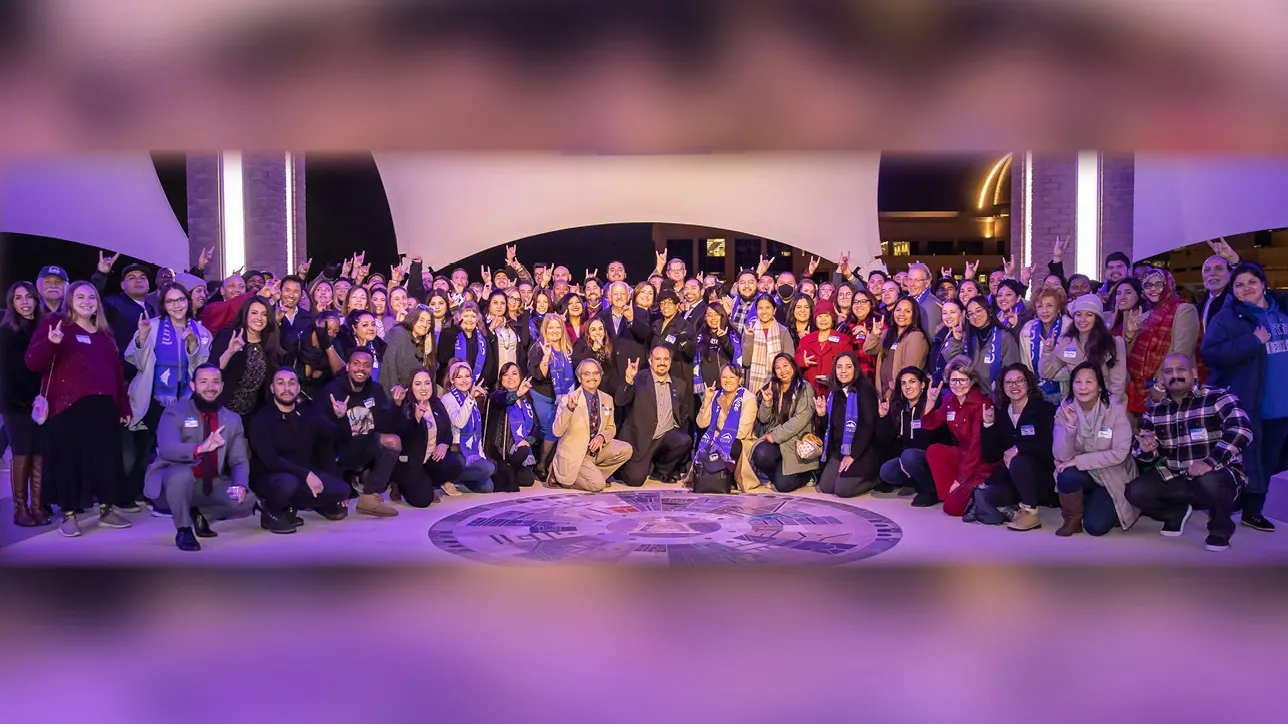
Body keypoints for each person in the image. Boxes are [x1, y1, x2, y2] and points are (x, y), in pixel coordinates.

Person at [25, 281, 134, 537]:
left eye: (92, 297)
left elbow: (117, 375)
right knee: (68, 462)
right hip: (67, 407)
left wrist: (123, 405)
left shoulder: (104, 335)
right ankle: (69, 515)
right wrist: (51, 343)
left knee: (105, 460)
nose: (87, 302)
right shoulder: (56, 326)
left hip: (103, 407)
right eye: (81, 297)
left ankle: (107, 509)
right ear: (70, 301)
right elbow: (32, 362)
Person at [1126, 353, 1254, 551]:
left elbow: (1242, 430)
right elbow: (1142, 449)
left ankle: (1220, 528)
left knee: (1209, 481)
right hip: (1176, 474)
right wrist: (1145, 449)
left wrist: (1209, 463)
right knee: (1135, 491)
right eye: (1168, 372)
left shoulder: (1218, 397)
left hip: (1217, 472)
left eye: (1181, 370)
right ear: (1162, 378)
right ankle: (1175, 513)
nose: (1174, 375)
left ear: (1194, 373)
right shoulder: (1155, 410)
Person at [1201, 262, 1287, 532]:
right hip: (1248, 401)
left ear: (1263, 284)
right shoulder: (1228, 318)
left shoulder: (1282, 310)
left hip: (1282, 403)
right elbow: (1210, 353)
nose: (1246, 288)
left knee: (1270, 460)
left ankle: (1251, 508)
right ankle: (1245, 510)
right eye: (1239, 284)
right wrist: (1252, 342)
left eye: (1252, 282)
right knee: (1247, 459)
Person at [144, 364, 258, 551]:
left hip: (208, 483)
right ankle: (184, 530)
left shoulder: (232, 419)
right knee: (181, 475)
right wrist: (200, 448)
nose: (210, 387)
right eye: (203, 382)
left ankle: (200, 514)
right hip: (170, 485)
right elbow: (167, 449)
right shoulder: (175, 411)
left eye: (215, 382)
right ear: (193, 385)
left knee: (246, 500)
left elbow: (239, 461)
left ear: (221, 386)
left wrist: (239, 483)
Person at [123, 284, 213, 508]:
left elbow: (202, 371)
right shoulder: (151, 326)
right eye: (170, 301)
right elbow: (137, 362)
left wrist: (192, 344)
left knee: (173, 448)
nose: (177, 305)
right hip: (154, 399)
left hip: (185, 401)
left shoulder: (201, 332)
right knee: (155, 448)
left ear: (188, 301)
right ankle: (147, 493)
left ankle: (163, 494)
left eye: (180, 299)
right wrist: (142, 338)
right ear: (163, 305)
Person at [248, 368, 353, 532]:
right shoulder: (261, 420)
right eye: (280, 383)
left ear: (298, 388)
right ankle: (271, 512)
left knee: (343, 490)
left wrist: (341, 417)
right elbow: (271, 461)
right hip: (269, 477)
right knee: (288, 483)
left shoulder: (307, 413)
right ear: (272, 388)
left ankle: (291, 505)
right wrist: (306, 475)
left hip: (301, 475)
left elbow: (341, 436)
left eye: (292, 383)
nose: (287, 388)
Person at [1052, 363, 1139, 536]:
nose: (1082, 387)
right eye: (1078, 382)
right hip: (1085, 475)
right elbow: (1061, 455)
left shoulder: (1115, 410)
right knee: (1065, 473)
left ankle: (1106, 506)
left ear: (1099, 387)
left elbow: (1120, 453)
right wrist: (1071, 426)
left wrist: (1078, 460)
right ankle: (1072, 519)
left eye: (1089, 382)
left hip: (1111, 476)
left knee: (1095, 527)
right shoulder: (1064, 409)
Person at [315, 348, 402, 515]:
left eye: (366, 365)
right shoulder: (330, 392)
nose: (361, 368)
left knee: (393, 441)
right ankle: (341, 486)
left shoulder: (375, 390)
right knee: (338, 514)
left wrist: (396, 405)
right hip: (337, 454)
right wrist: (339, 418)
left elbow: (386, 425)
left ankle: (370, 496)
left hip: (364, 447)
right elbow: (321, 439)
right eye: (356, 363)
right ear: (347, 367)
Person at [974, 364, 1057, 530]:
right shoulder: (1001, 412)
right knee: (991, 495)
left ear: (1029, 383)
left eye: (1019, 380)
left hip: (1041, 475)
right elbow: (991, 456)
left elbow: (1048, 447)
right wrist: (988, 425)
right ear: (1002, 386)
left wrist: (1019, 448)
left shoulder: (1044, 410)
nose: (1014, 386)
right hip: (1014, 478)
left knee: (1019, 460)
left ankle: (1031, 513)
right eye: (1009, 382)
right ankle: (1017, 507)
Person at [919, 357, 997, 516]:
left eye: (963, 380)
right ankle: (951, 495)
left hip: (982, 462)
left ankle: (974, 494)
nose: (958, 384)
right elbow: (929, 424)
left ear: (972, 381)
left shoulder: (982, 403)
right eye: (954, 380)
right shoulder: (949, 400)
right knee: (935, 451)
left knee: (953, 509)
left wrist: (959, 480)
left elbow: (977, 447)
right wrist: (930, 402)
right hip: (963, 455)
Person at [1, 282, 49, 526]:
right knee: (22, 453)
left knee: (39, 454)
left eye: (29, 297)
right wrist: (22, 402)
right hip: (15, 404)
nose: (24, 302)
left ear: (36, 300)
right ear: (11, 302)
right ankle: (20, 509)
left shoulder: (43, 327)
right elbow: (7, 373)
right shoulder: (6, 331)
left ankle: (37, 506)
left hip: (42, 402)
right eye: (18, 298)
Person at [1125, 269, 1199, 422]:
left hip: (1170, 385)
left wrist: (1161, 384)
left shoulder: (1184, 310)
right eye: (1148, 285)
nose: (1153, 289)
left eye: (1159, 284)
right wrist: (1130, 335)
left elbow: (1182, 352)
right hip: (1141, 387)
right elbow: (1130, 356)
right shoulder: (1144, 316)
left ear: (1169, 285)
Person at [616, 345, 694, 486]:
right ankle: (623, 467)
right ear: (650, 361)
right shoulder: (639, 378)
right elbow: (620, 401)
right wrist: (629, 379)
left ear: (670, 361)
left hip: (664, 437)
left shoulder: (679, 385)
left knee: (684, 440)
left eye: (666, 359)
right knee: (635, 480)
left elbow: (683, 414)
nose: (662, 363)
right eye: (658, 359)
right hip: (640, 440)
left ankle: (661, 470)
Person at [550, 358, 632, 491]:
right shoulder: (568, 400)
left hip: (595, 452)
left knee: (626, 449)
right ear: (579, 378)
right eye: (586, 374)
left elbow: (611, 427)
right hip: (576, 455)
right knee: (598, 485)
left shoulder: (607, 399)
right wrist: (569, 409)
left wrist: (601, 437)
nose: (592, 377)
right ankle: (563, 478)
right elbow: (556, 431)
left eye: (595, 373)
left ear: (600, 376)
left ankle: (593, 474)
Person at [812, 352, 880, 497]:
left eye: (848, 367)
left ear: (855, 369)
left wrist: (852, 455)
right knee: (826, 486)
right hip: (840, 450)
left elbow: (867, 427)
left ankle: (875, 479)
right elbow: (829, 429)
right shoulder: (834, 393)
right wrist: (822, 415)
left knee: (842, 490)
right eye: (839, 367)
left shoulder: (865, 390)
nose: (843, 371)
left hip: (862, 450)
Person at [390, 369, 460, 508]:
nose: (423, 388)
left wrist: (444, 444)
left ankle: (428, 483)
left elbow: (447, 430)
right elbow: (403, 439)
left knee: (455, 463)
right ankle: (399, 484)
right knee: (423, 501)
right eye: (418, 384)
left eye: (427, 383)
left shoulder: (436, 404)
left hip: (429, 460)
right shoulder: (403, 406)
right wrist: (416, 419)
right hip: (409, 464)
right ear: (411, 387)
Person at [1041, 294, 1127, 404]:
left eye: (1089, 315)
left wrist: (1103, 410)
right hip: (1077, 405)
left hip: (1106, 404)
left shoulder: (1114, 343)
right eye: (1078, 314)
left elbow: (1117, 386)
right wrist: (1047, 352)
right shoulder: (1066, 342)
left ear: (1097, 318)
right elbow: (1046, 374)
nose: (1082, 319)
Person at [750, 353, 818, 492]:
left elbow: (800, 420)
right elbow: (763, 419)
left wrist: (775, 436)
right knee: (760, 453)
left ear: (793, 366)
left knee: (783, 486)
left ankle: (808, 475)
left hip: (796, 441)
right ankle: (779, 474)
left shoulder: (805, 388)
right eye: (778, 368)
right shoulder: (773, 387)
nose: (782, 371)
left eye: (785, 366)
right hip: (778, 442)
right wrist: (767, 403)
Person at [876, 366, 943, 506]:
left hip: (931, 457)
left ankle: (931, 490)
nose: (907, 387)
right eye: (903, 383)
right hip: (907, 458)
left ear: (922, 384)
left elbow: (932, 439)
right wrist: (883, 418)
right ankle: (915, 481)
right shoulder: (899, 407)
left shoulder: (931, 403)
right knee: (886, 472)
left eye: (912, 382)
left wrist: (930, 406)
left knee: (909, 456)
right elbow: (885, 439)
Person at [210, 297, 282, 425]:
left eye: (264, 314)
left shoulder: (269, 342)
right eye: (254, 313)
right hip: (223, 410)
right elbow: (212, 370)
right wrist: (229, 352)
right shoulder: (229, 335)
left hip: (253, 415)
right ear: (245, 314)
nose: (259, 318)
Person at [692, 364, 759, 493]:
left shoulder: (749, 399)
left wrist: (718, 439)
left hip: (740, 441)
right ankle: (713, 477)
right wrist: (707, 400)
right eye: (724, 377)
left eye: (732, 377)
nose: (727, 380)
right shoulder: (715, 396)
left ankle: (730, 476)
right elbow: (701, 424)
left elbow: (742, 432)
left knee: (731, 445)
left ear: (740, 380)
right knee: (704, 443)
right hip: (715, 439)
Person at [528, 312, 576, 478]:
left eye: (557, 327)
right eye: (551, 328)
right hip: (542, 395)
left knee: (560, 429)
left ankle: (549, 463)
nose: (554, 331)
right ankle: (540, 464)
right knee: (550, 429)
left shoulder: (568, 349)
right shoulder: (538, 348)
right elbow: (538, 375)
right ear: (545, 329)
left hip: (564, 396)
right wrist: (546, 357)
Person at [941, 297, 1020, 394]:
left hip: (996, 395)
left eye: (978, 311)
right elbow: (951, 360)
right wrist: (957, 340)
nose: (975, 316)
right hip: (969, 394)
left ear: (989, 311)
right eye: (970, 314)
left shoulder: (1004, 337)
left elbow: (1012, 370)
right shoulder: (966, 336)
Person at [484, 362, 543, 492]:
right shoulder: (496, 396)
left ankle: (510, 470)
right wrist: (518, 393)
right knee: (521, 454)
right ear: (501, 379)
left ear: (520, 377)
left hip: (520, 451)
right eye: (505, 375)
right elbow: (507, 399)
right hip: (502, 452)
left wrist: (528, 441)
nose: (510, 377)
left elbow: (536, 426)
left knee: (527, 480)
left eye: (514, 373)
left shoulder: (527, 400)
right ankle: (506, 470)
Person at [439, 360, 496, 494]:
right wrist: (470, 399)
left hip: (471, 452)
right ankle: (445, 478)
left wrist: (481, 455)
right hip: (456, 451)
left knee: (488, 487)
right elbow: (459, 422)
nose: (464, 380)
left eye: (467, 376)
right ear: (452, 380)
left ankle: (458, 480)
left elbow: (477, 432)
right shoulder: (447, 399)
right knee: (488, 469)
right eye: (459, 377)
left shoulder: (471, 399)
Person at [865, 297, 930, 402]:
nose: (901, 314)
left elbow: (909, 369)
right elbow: (868, 350)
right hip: (882, 393)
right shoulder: (887, 333)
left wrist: (891, 391)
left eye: (907, 311)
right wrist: (875, 334)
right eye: (898, 310)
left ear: (914, 315)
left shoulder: (917, 337)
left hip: (900, 395)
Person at [1020, 286, 1072, 404]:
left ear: (1058, 308)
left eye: (1049, 305)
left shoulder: (1069, 328)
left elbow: (1072, 364)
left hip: (1064, 390)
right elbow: (1025, 365)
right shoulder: (1027, 330)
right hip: (1036, 392)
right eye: (1040, 306)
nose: (1044, 311)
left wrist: (1050, 375)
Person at [795, 299, 855, 397]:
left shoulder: (843, 340)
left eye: (827, 316)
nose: (823, 320)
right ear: (815, 319)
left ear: (832, 319)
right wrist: (802, 361)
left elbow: (851, 366)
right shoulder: (805, 340)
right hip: (809, 392)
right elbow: (795, 363)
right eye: (820, 316)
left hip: (835, 391)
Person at [741, 294, 794, 393]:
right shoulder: (748, 330)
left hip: (779, 383)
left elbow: (789, 362)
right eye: (760, 308)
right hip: (754, 384)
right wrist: (749, 338)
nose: (764, 312)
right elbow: (745, 362)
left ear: (774, 310)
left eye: (768, 308)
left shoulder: (783, 331)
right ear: (756, 311)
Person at [380, 304, 435, 399]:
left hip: (417, 398)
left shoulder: (427, 342)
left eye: (428, 322)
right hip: (397, 396)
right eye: (421, 320)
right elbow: (389, 368)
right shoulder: (397, 334)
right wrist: (395, 397)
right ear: (413, 319)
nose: (425, 325)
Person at [436, 301, 495, 389]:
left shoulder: (483, 337)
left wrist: (480, 384)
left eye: (473, 316)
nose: (469, 320)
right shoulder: (449, 333)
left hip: (475, 387)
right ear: (459, 316)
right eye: (466, 316)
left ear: (478, 319)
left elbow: (489, 363)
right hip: (449, 386)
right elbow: (442, 359)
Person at [651, 290, 696, 386]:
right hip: (657, 373)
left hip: (677, 375)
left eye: (670, 303)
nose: (665, 306)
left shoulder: (684, 326)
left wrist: (683, 343)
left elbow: (691, 352)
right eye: (662, 303)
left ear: (677, 306)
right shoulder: (656, 324)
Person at [692, 304, 736, 396]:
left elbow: (734, 354)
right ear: (705, 317)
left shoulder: (731, 333)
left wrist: (723, 339)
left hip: (724, 386)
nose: (713, 318)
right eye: (709, 315)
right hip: (704, 387)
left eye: (716, 314)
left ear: (722, 316)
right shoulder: (700, 335)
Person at [927, 299, 964, 385]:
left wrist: (957, 340)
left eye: (952, 312)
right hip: (936, 384)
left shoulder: (965, 335)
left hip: (952, 385)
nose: (948, 317)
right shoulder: (940, 334)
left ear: (962, 313)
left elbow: (952, 361)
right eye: (945, 313)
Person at [905, 262, 944, 337]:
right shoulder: (906, 301)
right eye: (910, 279)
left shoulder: (933, 305)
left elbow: (929, 337)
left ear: (927, 283)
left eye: (917, 280)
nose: (912, 284)